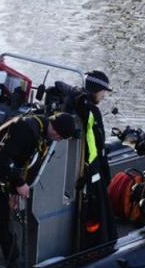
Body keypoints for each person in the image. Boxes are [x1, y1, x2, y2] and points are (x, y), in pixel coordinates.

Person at [0, 112, 77, 268]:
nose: (57, 138)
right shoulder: (26, 128)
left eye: (61, 137)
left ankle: (15, 264)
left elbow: (20, 162)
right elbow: (0, 156)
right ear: (53, 127)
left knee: (5, 222)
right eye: (58, 134)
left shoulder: (43, 135)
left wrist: (13, 191)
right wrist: (18, 183)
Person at [48, 70, 117, 250]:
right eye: (103, 92)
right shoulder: (90, 111)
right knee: (97, 210)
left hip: (83, 165)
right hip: (90, 170)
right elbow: (95, 143)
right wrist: (96, 170)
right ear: (96, 90)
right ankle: (96, 246)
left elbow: (60, 85)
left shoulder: (74, 101)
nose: (103, 96)